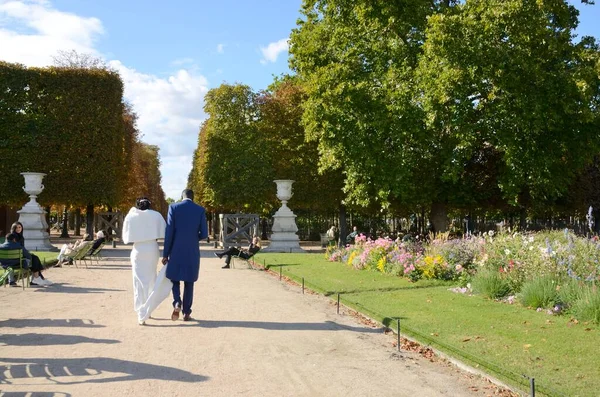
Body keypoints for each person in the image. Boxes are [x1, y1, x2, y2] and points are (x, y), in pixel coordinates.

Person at [162, 189, 208, 322]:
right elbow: (204, 234)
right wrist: (193, 238)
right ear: (193, 197)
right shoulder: (200, 210)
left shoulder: (173, 207)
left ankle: (177, 302)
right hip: (192, 250)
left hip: (176, 249)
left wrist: (165, 254)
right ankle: (186, 312)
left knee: (174, 277)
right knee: (189, 281)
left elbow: (169, 232)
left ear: (182, 197)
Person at [122, 197, 166, 325]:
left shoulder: (131, 216)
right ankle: (148, 309)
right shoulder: (156, 215)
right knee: (151, 279)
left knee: (138, 282)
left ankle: (140, 312)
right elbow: (165, 231)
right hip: (152, 248)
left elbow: (125, 236)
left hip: (138, 249)